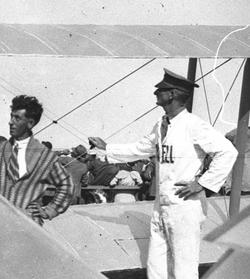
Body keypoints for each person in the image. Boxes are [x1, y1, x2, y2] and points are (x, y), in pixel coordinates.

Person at [88, 68, 238, 279]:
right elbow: (141, 148)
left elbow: (228, 151)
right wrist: (108, 148)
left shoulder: (194, 125)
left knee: (184, 267)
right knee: (156, 264)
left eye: (161, 90)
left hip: (186, 205)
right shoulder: (161, 125)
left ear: (173, 94)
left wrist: (203, 184)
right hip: (162, 204)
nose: (156, 93)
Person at [0, 95, 74, 225]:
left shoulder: (43, 155)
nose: (10, 122)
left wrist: (49, 210)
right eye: (11, 116)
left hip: (29, 225)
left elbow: (66, 183)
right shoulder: (1, 149)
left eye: (17, 118)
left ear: (30, 123)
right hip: (0, 221)